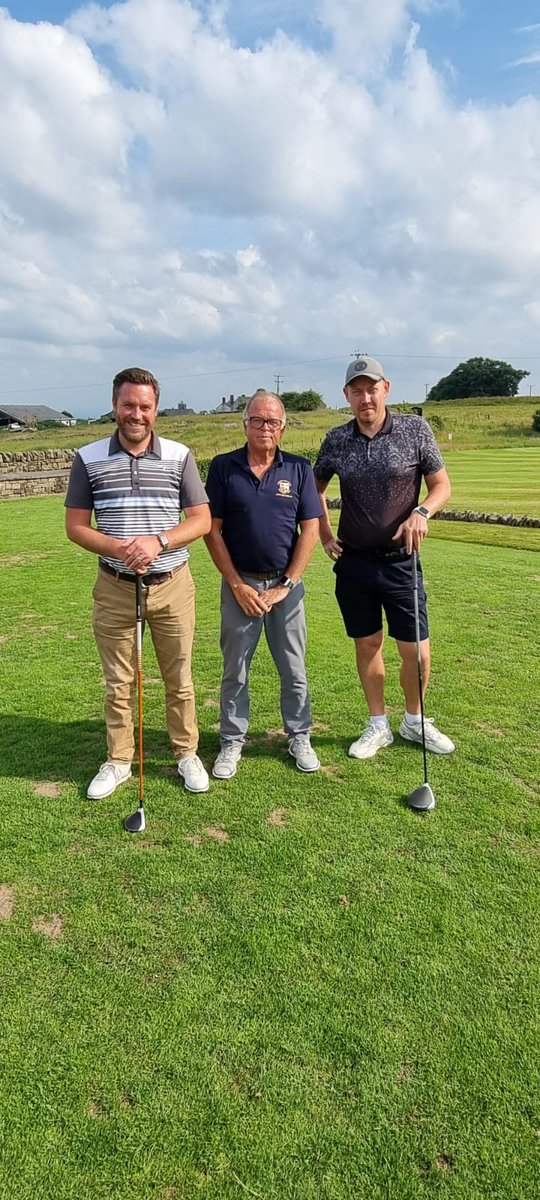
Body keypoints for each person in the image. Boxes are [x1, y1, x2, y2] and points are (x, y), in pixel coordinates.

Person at [65, 366, 212, 799]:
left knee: (179, 678)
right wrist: (119, 548)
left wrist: (158, 541)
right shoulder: (88, 458)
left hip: (172, 583)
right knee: (118, 681)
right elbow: (76, 526)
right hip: (114, 583)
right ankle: (119, 760)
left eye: (145, 406)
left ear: (156, 409)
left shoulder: (180, 455)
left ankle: (186, 754)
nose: (136, 414)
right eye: (128, 405)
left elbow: (201, 520)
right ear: (114, 406)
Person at [314, 355, 455, 759]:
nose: (365, 398)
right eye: (356, 391)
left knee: (417, 651)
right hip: (355, 562)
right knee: (368, 644)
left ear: (386, 389)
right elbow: (315, 490)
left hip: (401, 560)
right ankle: (378, 724)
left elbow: (441, 485)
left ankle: (414, 720)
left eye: (371, 389)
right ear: (346, 396)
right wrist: (325, 533)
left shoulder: (415, 429)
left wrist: (421, 512)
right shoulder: (336, 440)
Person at [204, 390, 322, 779]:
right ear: (245, 425)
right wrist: (237, 584)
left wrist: (286, 584)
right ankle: (232, 741)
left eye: (272, 422)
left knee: (293, 667)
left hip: (285, 590)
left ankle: (299, 734)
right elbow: (212, 531)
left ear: (283, 428)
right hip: (241, 587)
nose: (264, 428)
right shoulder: (223, 467)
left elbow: (309, 529)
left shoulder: (300, 469)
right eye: (257, 420)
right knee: (235, 668)